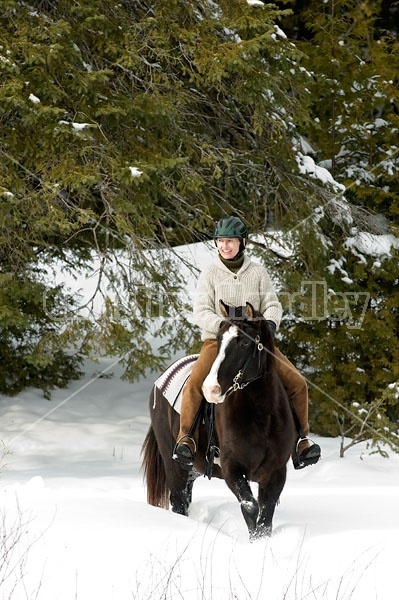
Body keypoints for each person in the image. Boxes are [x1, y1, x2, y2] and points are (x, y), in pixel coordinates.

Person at [173, 215, 321, 471]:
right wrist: (221, 326)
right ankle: (186, 438)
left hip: (256, 343)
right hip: (219, 342)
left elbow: (272, 305)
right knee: (196, 383)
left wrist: (269, 325)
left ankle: (301, 442)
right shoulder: (210, 273)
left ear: (242, 243)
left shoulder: (257, 272)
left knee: (297, 383)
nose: (224, 246)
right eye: (220, 241)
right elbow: (201, 311)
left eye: (230, 241)